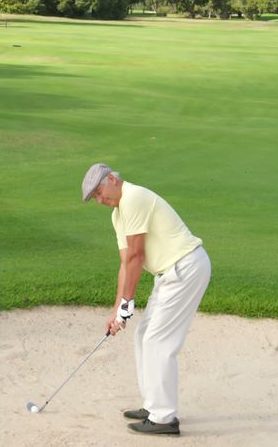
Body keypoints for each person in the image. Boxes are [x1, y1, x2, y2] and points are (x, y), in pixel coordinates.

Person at [82, 163, 212, 436]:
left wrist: (128, 303)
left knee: (158, 341)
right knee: (143, 335)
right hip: (169, 274)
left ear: (112, 180)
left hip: (185, 268)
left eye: (99, 191)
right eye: (95, 197)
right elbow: (125, 262)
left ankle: (164, 418)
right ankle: (154, 406)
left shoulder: (134, 198)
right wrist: (118, 307)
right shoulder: (118, 215)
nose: (99, 199)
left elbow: (137, 256)